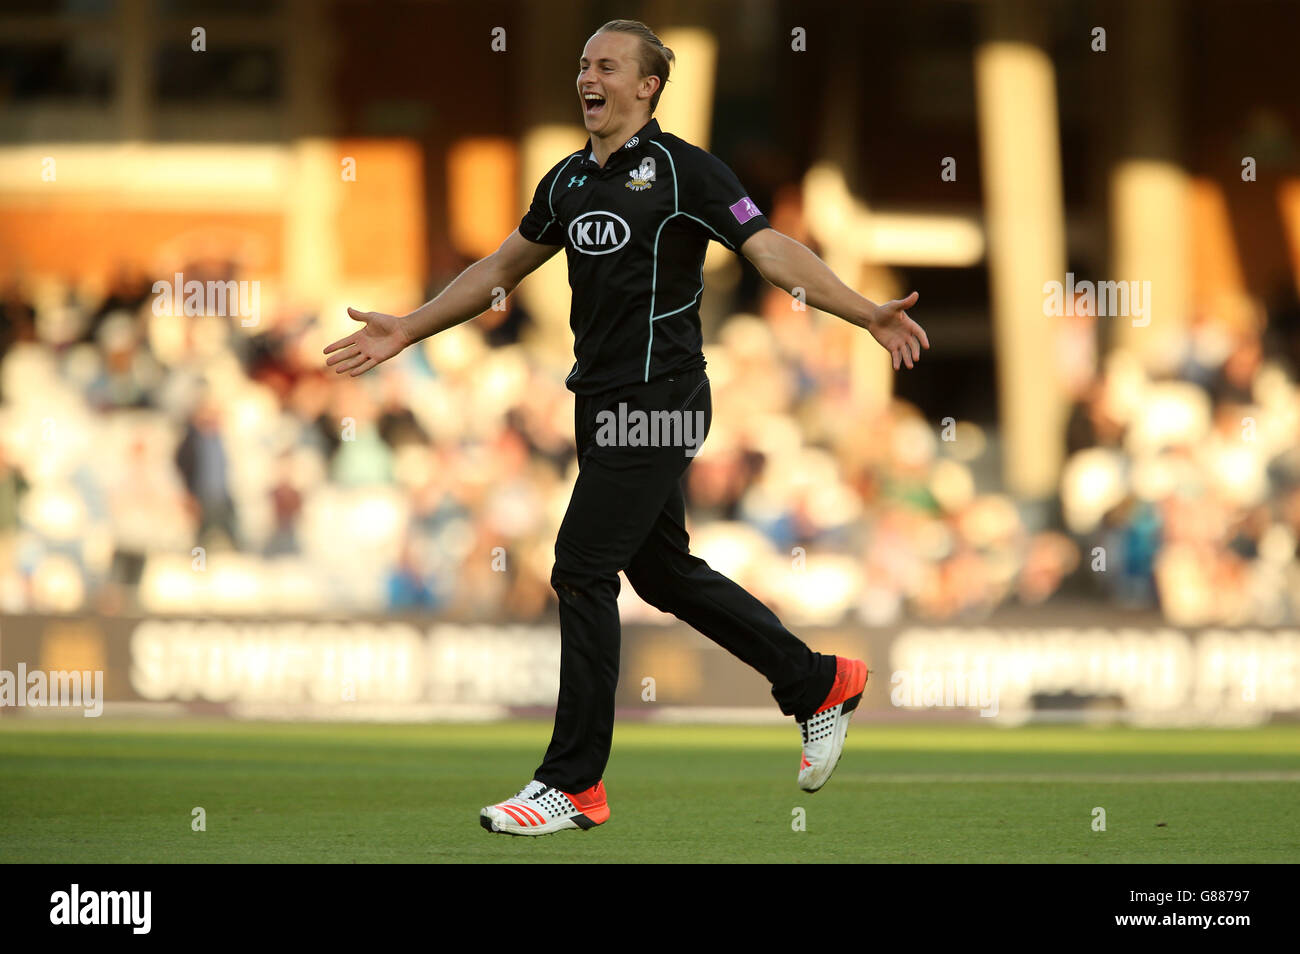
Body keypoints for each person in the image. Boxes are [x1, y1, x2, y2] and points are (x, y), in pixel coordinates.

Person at [324, 19, 929, 837]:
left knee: (580, 566)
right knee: (662, 574)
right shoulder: (568, 181)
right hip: (599, 406)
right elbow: (500, 269)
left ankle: (573, 782)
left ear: (647, 86)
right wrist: (410, 327)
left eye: (607, 65)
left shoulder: (686, 172)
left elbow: (771, 249)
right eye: (582, 64)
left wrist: (863, 313)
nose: (588, 76)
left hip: (664, 401)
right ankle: (817, 681)